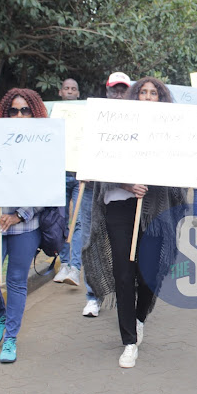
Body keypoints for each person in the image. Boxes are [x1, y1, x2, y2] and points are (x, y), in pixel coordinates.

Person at [82, 76, 184, 369]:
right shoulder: (116, 124)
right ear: (134, 96)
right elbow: (102, 165)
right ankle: (128, 341)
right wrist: (127, 184)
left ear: (161, 98)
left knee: (150, 273)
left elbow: (179, 170)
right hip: (119, 208)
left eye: (154, 93)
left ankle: (139, 317)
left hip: (154, 209)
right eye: (143, 92)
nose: (148, 97)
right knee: (124, 274)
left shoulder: (171, 130)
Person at [0, 88, 49, 364]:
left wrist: (20, 214)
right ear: (5, 113)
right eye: (13, 110)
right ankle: (0, 316)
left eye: (25, 110)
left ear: (34, 113)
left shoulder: (44, 147)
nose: (19, 115)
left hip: (25, 226)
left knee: (16, 281)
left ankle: (10, 338)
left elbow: (48, 191)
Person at [81, 73, 133, 316]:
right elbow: (80, 147)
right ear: (107, 91)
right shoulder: (94, 117)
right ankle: (94, 296)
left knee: (123, 249)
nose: (119, 94)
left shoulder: (138, 119)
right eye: (115, 90)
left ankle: (126, 294)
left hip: (124, 196)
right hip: (93, 191)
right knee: (92, 240)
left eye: (123, 90)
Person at [54, 78, 87, 287]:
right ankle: (64, 263)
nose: (70, 91)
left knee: (79, 220)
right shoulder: (53, 114)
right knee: (60, 221)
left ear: (78, 93)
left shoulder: (86, 114)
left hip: (80, 175)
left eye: (74, 89)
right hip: (58, 173)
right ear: (60, 92)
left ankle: (75, 268)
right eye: (66, 88)